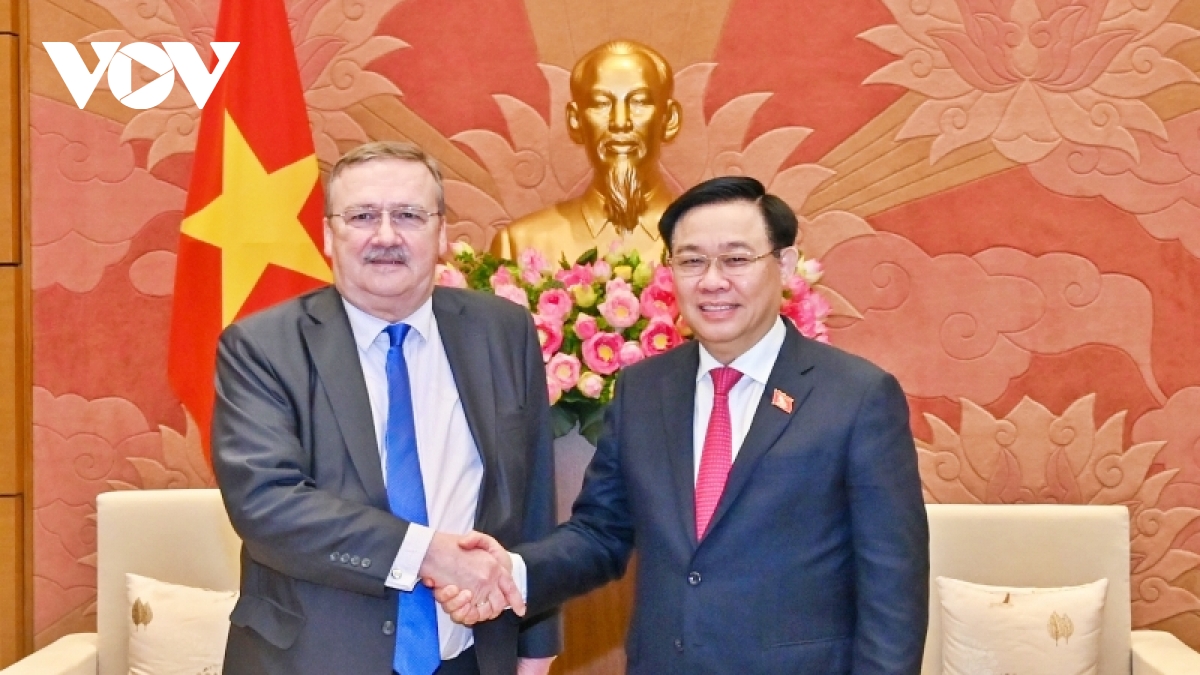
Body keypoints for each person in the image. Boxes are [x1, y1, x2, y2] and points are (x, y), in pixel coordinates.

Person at [442, 176, 930, 673]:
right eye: (692, 261)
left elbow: (893, 586)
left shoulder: (857, 396)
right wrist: (513, 571)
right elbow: (600, 533)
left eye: (736, 259)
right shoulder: (644, 389)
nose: (712, 281)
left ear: (784, 264)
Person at [211, 141, 560, 675]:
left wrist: (537, 642)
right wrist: (429, 553)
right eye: (362, 216)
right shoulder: (261, 347)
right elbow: (266, 503)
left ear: (441, 235)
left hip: (471, 654)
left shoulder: (503, 331)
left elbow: (532, 494)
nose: (386, 236)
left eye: (409, 215)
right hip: (313, 659)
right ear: (328, 236)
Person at [490, 40, 682, 263]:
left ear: (670, 119)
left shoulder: (710, 238)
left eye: (639, 102)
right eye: (601, 104)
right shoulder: (520, 244)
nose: (620, 122)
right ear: (575, 120)